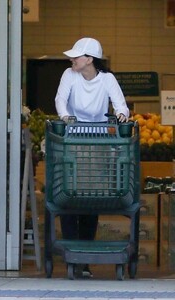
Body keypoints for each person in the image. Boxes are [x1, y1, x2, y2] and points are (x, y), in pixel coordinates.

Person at [55, 37, 129, 278]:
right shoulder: (69, 74)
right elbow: (60, 100)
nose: (72, 59)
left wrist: (120, 114)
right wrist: (66, 117)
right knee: (68, 196)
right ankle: (71, 255)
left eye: (76, 56)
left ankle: (84, 260)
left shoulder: (107, 79)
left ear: (89, 59)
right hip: (72, 140)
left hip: (97, 142)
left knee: (91, 197)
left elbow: (121, 105)